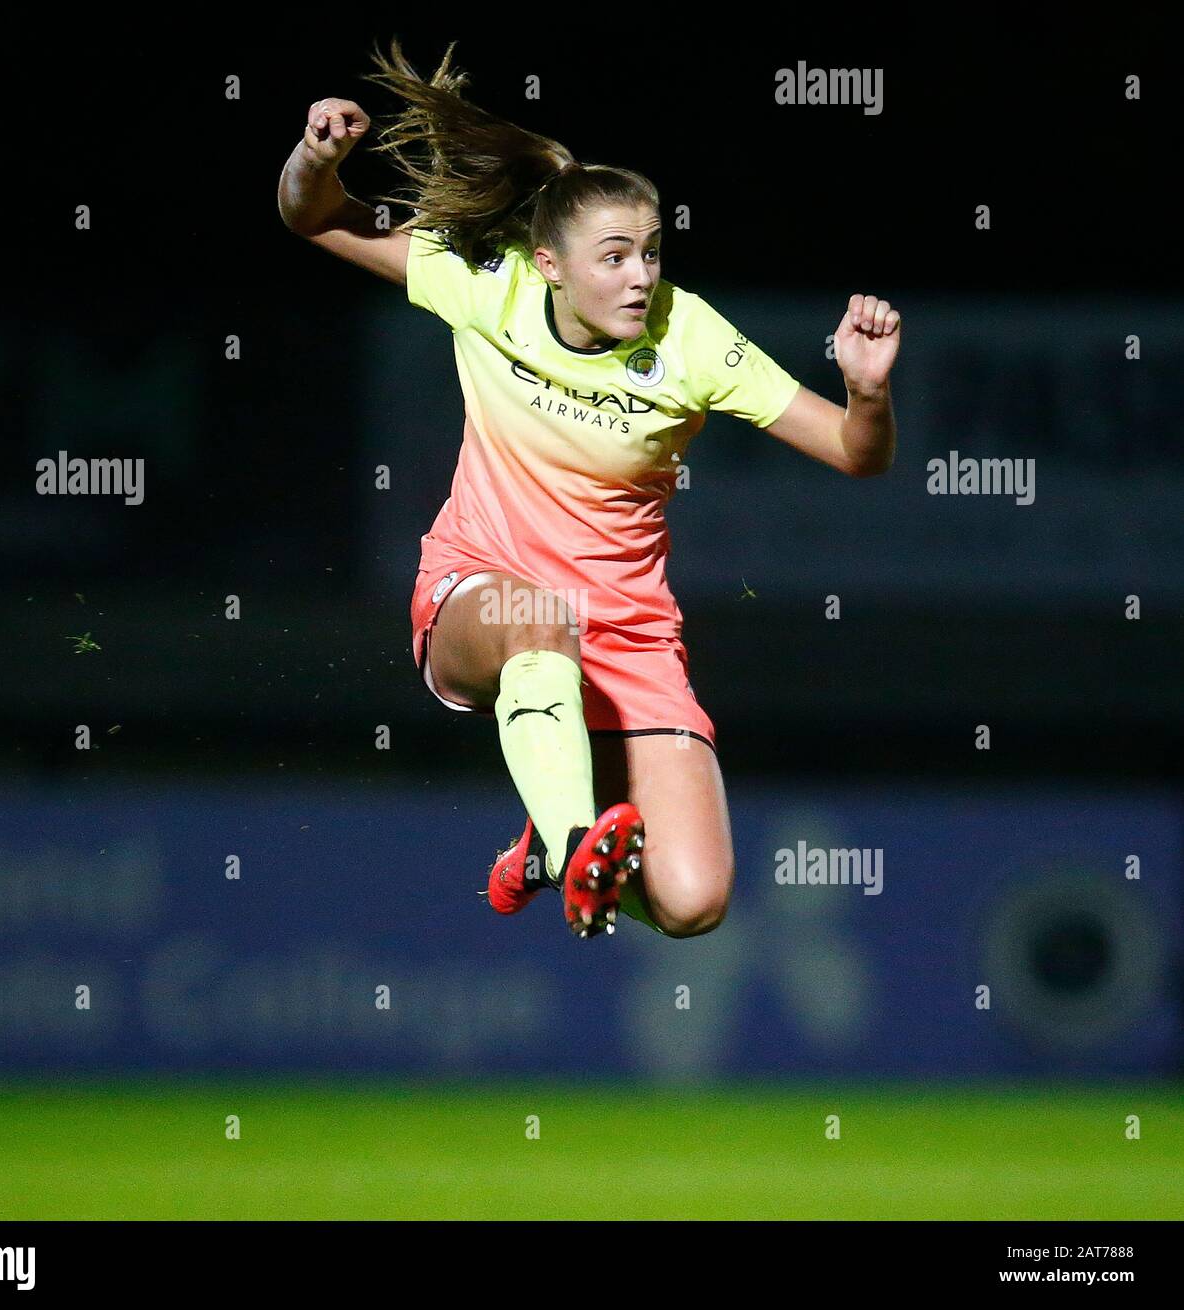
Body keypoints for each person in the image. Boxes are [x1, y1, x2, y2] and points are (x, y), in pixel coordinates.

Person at [277, 38, 899, 941]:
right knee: (539, 616)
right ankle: (573, 843)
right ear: (550, 263)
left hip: (628, 636)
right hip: (480, 595)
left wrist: (869, 392)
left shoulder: (691, 340)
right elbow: (315, 217)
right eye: (615, 256)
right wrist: (313, 159)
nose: (642, 276)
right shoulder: (485, 280)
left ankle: (547, 841)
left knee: (693, 903)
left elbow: (855, 453)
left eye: (650, 252)